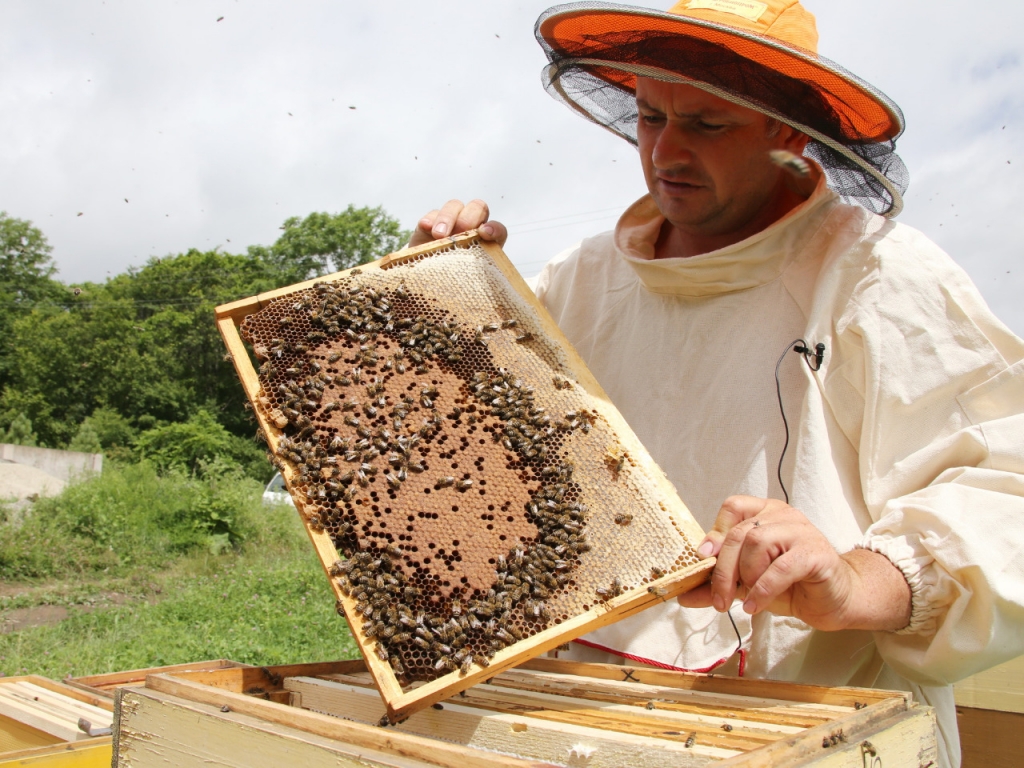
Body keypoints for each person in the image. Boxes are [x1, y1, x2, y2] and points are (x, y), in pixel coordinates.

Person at [409, 2, 1024, 765]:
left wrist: (858, 578)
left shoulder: (881, 277)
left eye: (706, 124)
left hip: (813, 726)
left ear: (786, 132)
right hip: (573, 719)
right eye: (649, 116)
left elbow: (1005, 489)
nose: (665, 150)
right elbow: (470, 469)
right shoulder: (582, 279)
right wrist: (437, 304)